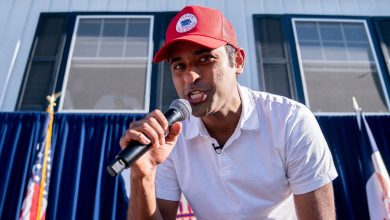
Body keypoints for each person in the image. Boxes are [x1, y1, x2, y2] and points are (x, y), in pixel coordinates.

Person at [119, 5, 338, 220]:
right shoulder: (169, 137)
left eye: (205, 59)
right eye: (179, 66)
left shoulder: (291, 120)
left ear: (238, 61)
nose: (190, 77)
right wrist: (143, 175)